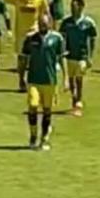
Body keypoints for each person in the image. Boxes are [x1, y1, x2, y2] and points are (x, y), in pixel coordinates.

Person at [23, 14, 65, 151]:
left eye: (45, 24)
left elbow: (61, 58)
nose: (43, 27)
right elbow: (24, 58)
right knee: (33, 106)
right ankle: (33, 135)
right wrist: (22, 75)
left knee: (47, 110)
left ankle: (44, 138)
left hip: (49, 80)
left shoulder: (57, 39)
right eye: (41, 24)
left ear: (51, 24)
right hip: (33, 79)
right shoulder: (30, 39)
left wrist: (66, 79)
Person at [4, 0, 50, 92]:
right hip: (21, 34)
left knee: (34, 58)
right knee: (22, 59)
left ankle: (33, 82)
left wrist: (48, 27)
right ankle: (21, 80)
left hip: (34, 33)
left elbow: (46, 13)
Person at [59, 0, 98, 116]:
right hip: (70, 56)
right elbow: (62, 38)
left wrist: (90, 56)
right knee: (71, 79)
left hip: (82, 56)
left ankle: (79, 100)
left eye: (74, 6)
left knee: (79, 78)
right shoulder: (66, 22)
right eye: (71, 6)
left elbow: (92, 40)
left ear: (81, 7)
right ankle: (74, 99)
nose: (72, 9)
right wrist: (62, 52)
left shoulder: (88, 23)